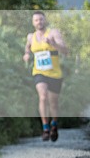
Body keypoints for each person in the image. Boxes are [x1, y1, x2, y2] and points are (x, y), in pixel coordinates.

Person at [23, 11, 67, 141]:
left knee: (53, 103)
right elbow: (27, 48)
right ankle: (45, 127)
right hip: (39, 72)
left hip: (54, 73)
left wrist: (54, 44)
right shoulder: (30, 36)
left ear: (45, 20)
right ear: (33, 22)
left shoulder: (53, 33)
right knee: (43, 97)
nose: (39, 22)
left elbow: (65, 50)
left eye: (41, 19)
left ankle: (54, 124)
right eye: (36, 20)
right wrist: (26, 55)